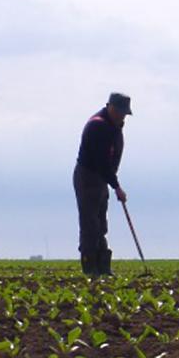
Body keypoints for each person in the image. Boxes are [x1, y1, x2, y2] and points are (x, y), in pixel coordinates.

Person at [73, 92, 131, 276]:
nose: (123, 117)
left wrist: (111, 183)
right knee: (90, 224)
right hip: (88, 177)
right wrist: (116, 187)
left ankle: (103, 268)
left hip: (101, 178)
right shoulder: (98, 126)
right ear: (111, 108)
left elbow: (110, 162)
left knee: (100, 224)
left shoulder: (114, 126)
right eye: (121, 112)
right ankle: (90, 269)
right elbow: (102, 162)